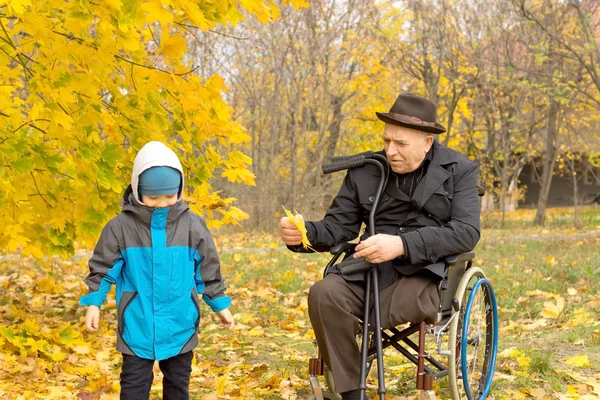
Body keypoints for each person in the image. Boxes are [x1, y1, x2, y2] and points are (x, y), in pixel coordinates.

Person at [278, 93, 481, 400]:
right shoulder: (365, 170)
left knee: (380, 309)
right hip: (368, 269)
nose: (390, 151)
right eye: (387, 141)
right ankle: (351, 392)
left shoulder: (459, 171)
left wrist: (402, 244)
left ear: (427, 143)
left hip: (424, 273)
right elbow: (338, 228)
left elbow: (466, 232)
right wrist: (304, 233)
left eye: (401, 144)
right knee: (324, 293)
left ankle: (358, 352)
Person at [80, 141, 234, 400]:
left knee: (177, 386)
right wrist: (94, 302)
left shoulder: (193, 226)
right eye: (153, 198)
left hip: (180, 323)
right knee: (133, 387)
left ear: (179, 190)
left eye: (169, 196)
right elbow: (103, 267)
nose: (162, 203)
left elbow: (207, 269)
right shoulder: (120, 228)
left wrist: (220, 305)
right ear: (138, 191)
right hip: (137, 324)